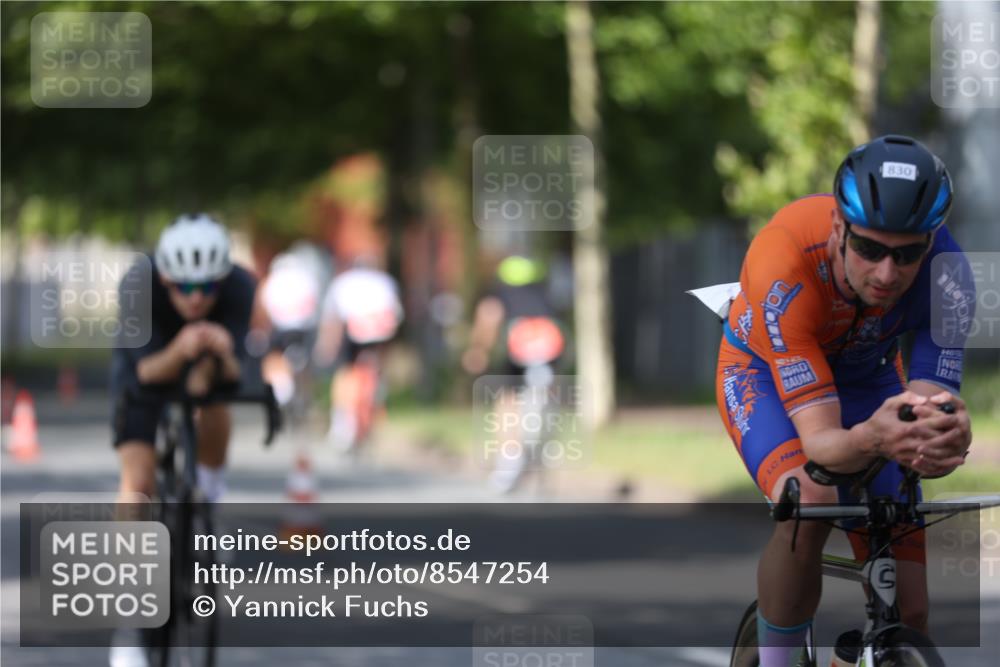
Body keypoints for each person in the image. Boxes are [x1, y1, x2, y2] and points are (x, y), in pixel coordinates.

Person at [715, 135, 973, 667]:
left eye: (907, 254)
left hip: (868, 380)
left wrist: (938, 435)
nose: (887, 273)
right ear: (839, 228)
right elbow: (822, 443)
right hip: (763, 375)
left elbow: (929, 409)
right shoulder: (783, 262)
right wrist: (875, 438)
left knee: (911, 611)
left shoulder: (949, 275)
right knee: (810, 500)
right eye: (870, 249)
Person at [109, 214, 256, 667]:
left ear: (221, 282)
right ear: (166, 279)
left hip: (202, 368)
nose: (196, 299)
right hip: (146, 367)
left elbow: (236, 375)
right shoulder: (140, 287)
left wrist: (220, 353)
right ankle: (131, 625)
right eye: (185, 289)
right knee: (139, 481)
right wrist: (184, 345)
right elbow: (145, 372)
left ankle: (207, 499)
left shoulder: (241, 287)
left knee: (214, 402)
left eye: (206, 289)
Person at [463, 254, 567, 493]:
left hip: (520, 350)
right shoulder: (547, 295)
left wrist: (478, 350)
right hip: (550, 350)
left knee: (507, 401)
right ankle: (543, 461)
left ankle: (509, 458)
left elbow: (488, 318)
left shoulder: (500, 294)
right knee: (549, 400)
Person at [313, 255, 403, 454]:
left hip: (354, 330)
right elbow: (395, 315)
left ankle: (342, 422)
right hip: (380, 330)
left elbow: (333, 318)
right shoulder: (386, 281)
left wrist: (327, 346)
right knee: (376, 370)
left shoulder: (343, 282)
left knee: (345, 373)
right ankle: (377, 392)